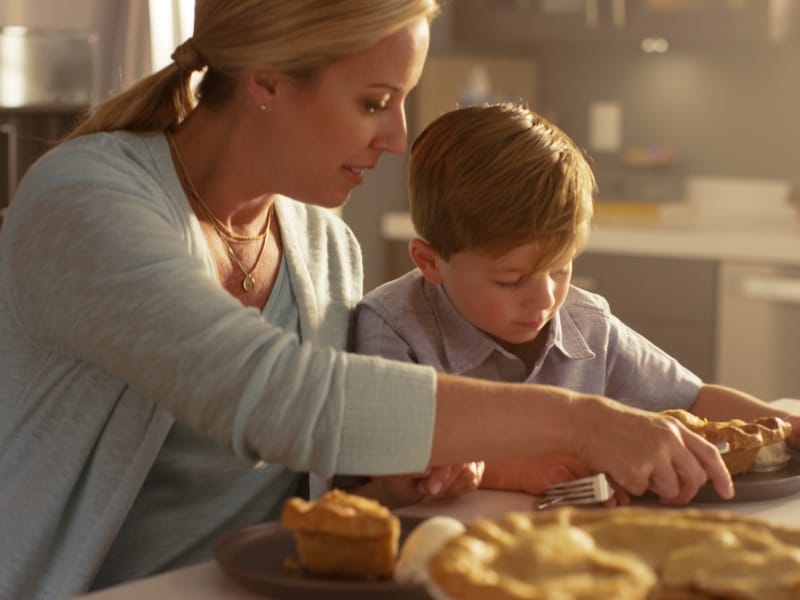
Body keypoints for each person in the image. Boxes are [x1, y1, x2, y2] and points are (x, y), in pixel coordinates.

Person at [0, 2, 733, 598]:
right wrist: (583, 420)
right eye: (374, 102)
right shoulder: (87, 201)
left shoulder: (322, 243)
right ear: (269, 81)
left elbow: (309, 475)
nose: (397, 138)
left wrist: (389, 479)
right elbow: (277, 399)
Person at [352, 102, 800, 505]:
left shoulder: (587, 324)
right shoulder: (393, 327)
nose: (546, 298)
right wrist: (518, 470)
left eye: (561, 268)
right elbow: (396, 455)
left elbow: (696, 400)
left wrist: (785, 422)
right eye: (511, 281)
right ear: (430, 262)